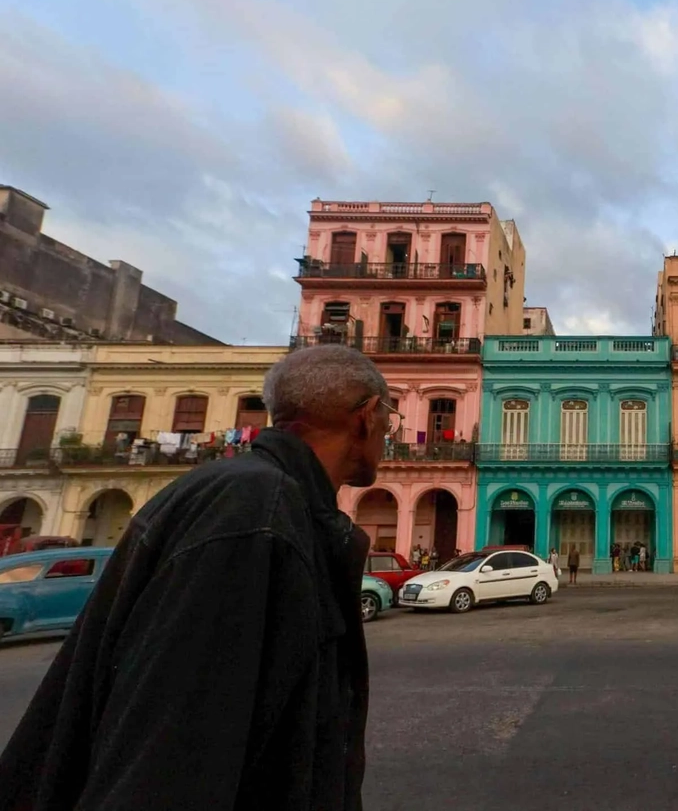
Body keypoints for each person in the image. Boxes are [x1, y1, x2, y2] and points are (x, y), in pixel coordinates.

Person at [0, 344, 389, 811]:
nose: (388, 432)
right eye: (390, 418)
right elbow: (176, 741)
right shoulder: (255, 511)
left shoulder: (245, 494)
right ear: (367, 417)